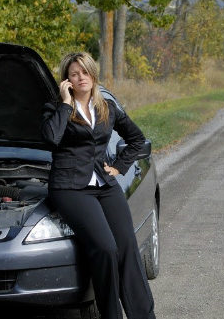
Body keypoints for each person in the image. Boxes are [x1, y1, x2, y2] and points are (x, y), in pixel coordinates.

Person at [41, 52, 156, 319]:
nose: (81, 78)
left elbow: (137, 139)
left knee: (127, 246)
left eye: (85, 72)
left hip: (104, 183)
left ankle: (144, 315)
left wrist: (120, 166)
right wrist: (66, 104)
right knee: (106, 248)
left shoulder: (107, 108)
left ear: (93, 74)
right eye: (74, 74)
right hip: (70, 187)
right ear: (66, 80)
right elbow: (51, 138)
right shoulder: (55, 108)